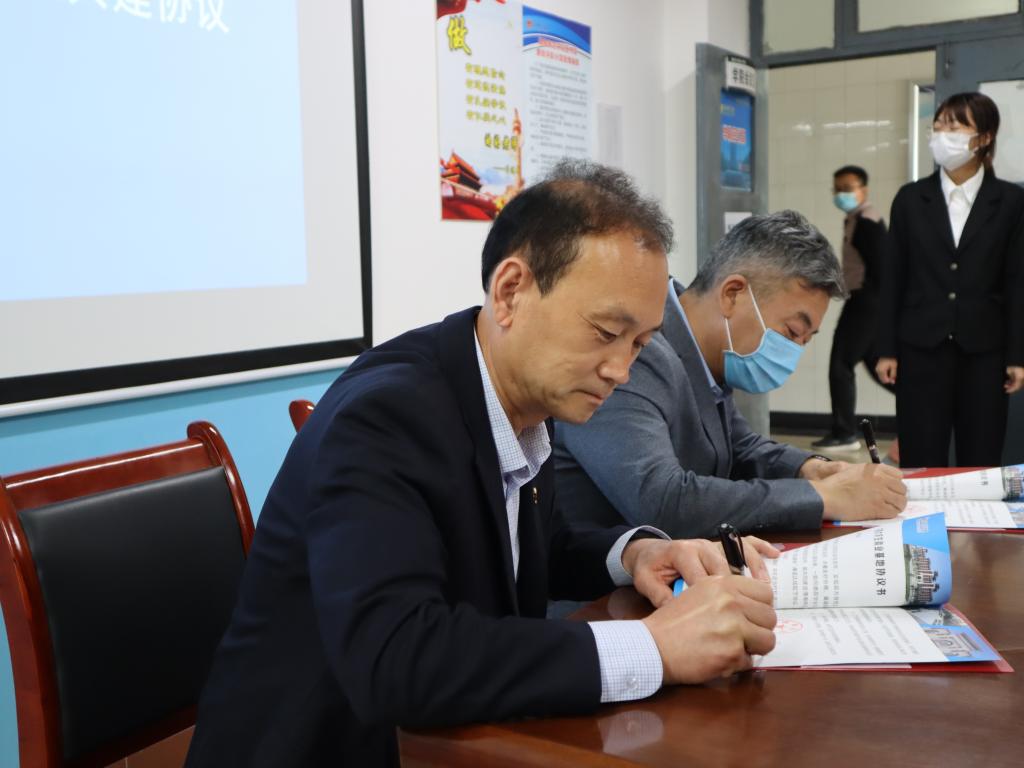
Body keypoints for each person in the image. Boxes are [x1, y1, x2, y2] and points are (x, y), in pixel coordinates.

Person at [185, 162, 779, 767]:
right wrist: (652, 647)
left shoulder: (523, 392)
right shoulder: (388, 417)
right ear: (511, 291)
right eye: (605, 332)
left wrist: (636, 554)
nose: (621, 370)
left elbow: (531, 546)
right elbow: (398, 657)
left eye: (640, 344)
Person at [554, 211, 908, 540]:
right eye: (791, 332)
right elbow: (663, 501)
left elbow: (740, 447)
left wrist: (809, 468)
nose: (795, 351)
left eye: (805, 340)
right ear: (732, 294)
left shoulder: (705, 355)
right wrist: (821, 497)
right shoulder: (637, 352)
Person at [876, 92, 1024, 468]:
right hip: (920, 347)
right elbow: (893, 277)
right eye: (938, 125)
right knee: (921, 455)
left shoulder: (1010, 201)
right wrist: (886, 349)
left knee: (981, 456)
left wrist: (1017, 356)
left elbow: (1017, 282)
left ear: (984, 137)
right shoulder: (910, 199)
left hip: (985, 350)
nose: (943, 134)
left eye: (955, 126)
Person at [811, 165, 895, 453]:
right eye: (837, 189)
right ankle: (932, 407)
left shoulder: (868, 222)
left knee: (841, 363)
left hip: (866, 302)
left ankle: (844, 433)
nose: (841, 194)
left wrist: (876, 306)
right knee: (876, 366)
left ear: (863, 189)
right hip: (866, 301)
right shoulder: (857, 218)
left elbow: (883, 269)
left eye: (847, 188)